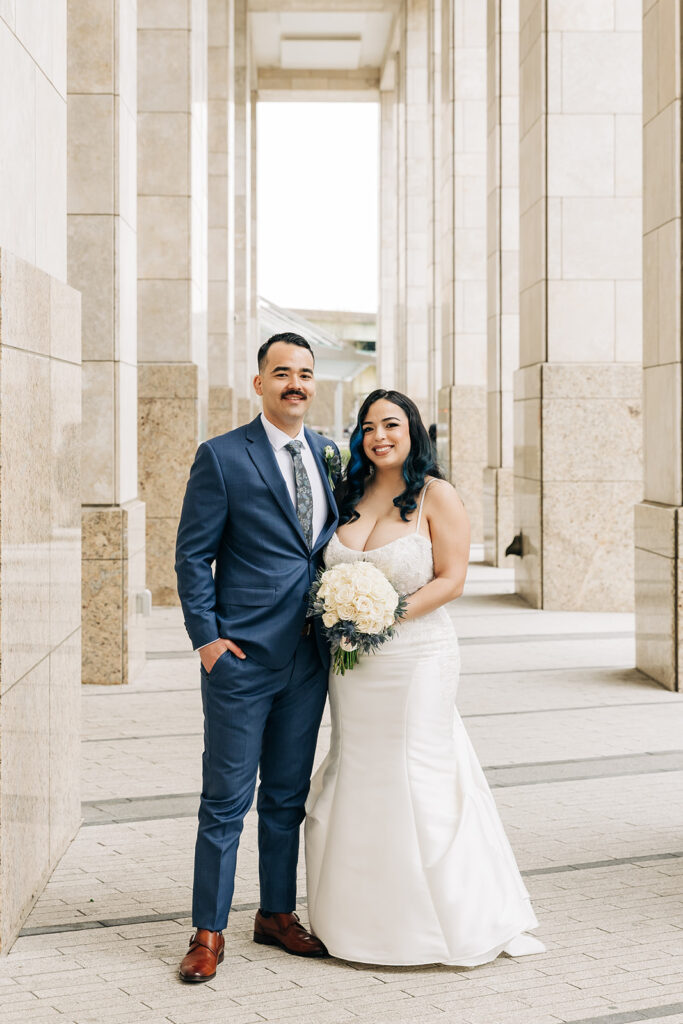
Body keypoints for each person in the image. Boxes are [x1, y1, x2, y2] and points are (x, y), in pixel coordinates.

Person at [305, 388, 544, 966]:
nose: (378, 436)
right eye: (367, 427)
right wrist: (347, 617)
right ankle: (357, 920)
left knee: (419, 771)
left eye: (391, 424)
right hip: (354, 667)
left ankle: (444, 922)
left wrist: (382, 616)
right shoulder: (349, 493)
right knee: (357, 768)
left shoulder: (438, 495)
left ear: (413, 431)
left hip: (417, 660)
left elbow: (451, 579)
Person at [174, 332, 340, 982]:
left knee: (286, 798)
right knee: (224, 801)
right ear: (259, 384)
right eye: (281, 373)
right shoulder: (221, 457)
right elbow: (192, 554)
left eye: (303, 373)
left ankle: (275, 914)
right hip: (240, 659)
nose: (294, 383)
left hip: (308, 659)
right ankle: (207, 931)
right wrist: (208, 641)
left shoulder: (329, 453)